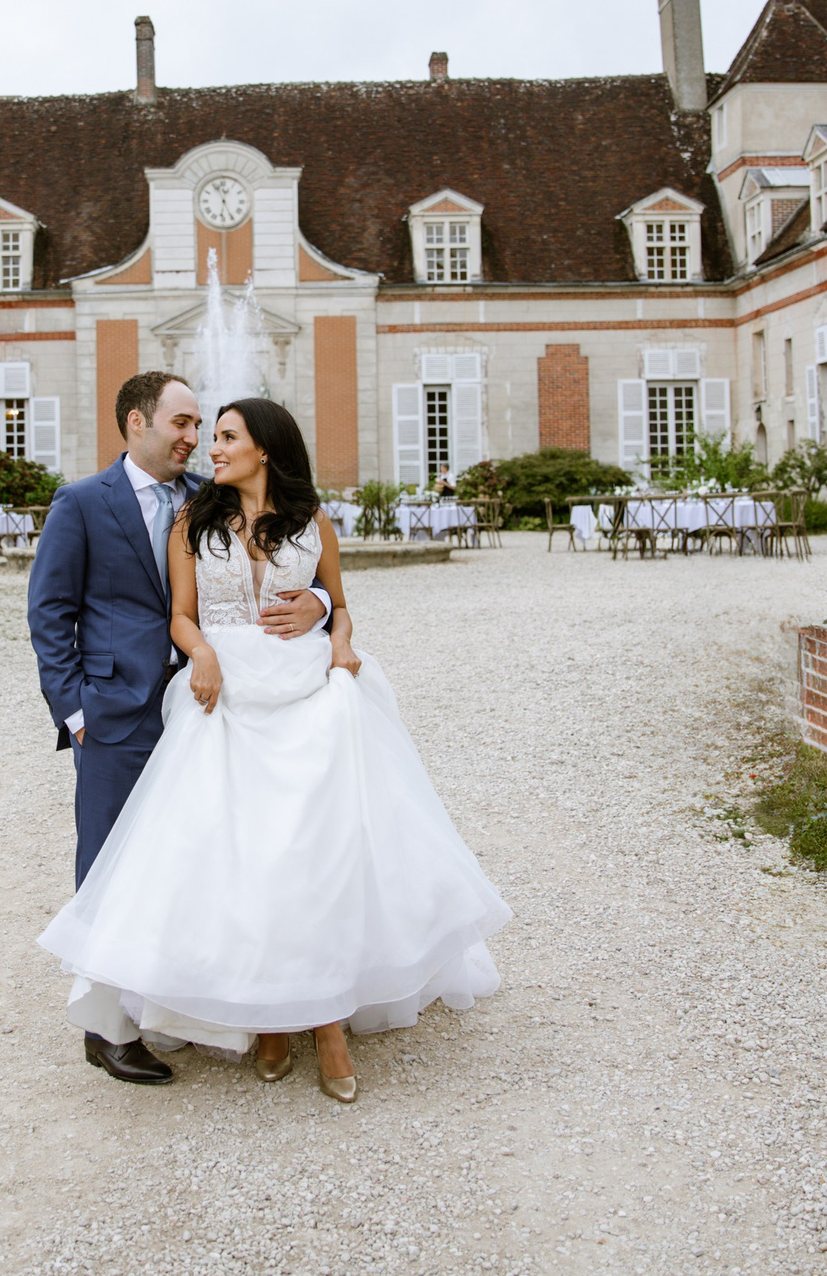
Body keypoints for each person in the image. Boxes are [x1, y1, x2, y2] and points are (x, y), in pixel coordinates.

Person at [38, 397, 509, 1102]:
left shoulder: (311, 517)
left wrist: (335, 634)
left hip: (306, 693)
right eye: (202, 432)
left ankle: (325, 1021)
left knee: (317, 851)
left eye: (225, 435)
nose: (209, 446)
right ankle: (259, 1017)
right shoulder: (194, 516)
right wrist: (200, 654)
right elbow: (180, 615)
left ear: (264, 447)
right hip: (224, 696)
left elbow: (337, 602)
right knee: (241, 855)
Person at [27, 372, 331, 1085]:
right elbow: (49, 612)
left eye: (201, 426)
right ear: (137, 422)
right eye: (183, 422)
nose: (195, 437)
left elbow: (280, 555)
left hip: (209, 710)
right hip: (118, 713)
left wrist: (318, 601)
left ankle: (174, 999)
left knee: (192, 857)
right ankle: (107, 1027)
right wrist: (76, 713)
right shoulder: (81, 502)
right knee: (110, 860)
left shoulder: (209, 496)